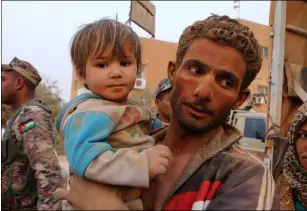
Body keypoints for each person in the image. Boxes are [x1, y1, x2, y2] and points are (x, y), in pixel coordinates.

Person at [56, 14, 279, 210]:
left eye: (226, 82)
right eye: (196, 70)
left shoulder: (245, 175)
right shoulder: (127, 140)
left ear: (240, 98)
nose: (202, 92)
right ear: (172, 73)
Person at [55, 18, 172, 210]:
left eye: (125, 63)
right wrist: (142, 164)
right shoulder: (89, 113)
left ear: (138, 68)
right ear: (82, 73)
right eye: (102, 65)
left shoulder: (128, 108)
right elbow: (87, 160)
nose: (116, 72)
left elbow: (150, 127)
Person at [1, 57, 62, 210]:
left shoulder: (31, 116)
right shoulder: (19, 117)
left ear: (18, 83)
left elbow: (48, 173)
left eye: (3, 80)